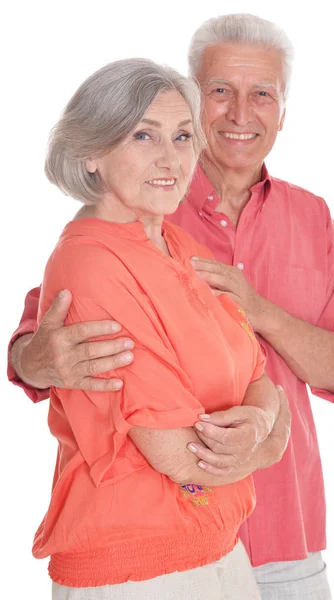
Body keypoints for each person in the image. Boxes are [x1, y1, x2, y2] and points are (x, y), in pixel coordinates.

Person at [8, 13, 334, 600]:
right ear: (197, 100)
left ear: (285, 110)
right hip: (148, 535)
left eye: (263, 95)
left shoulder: (311, 217)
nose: (241, 113)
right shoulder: (142, 203)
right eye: (221, 91)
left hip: (284, 526)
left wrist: (259, 313)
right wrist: (30, 358)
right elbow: (48, 321)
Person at [25, 57, 288, 599]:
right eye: (144, 135)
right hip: (136, 568)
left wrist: (261, 422)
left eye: (183, 135)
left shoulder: (183, 248)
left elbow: (260, 376)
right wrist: (269, 439)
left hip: (219, 548)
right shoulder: (90, 264)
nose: (171, 158)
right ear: (92, 153)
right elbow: (175, 454)